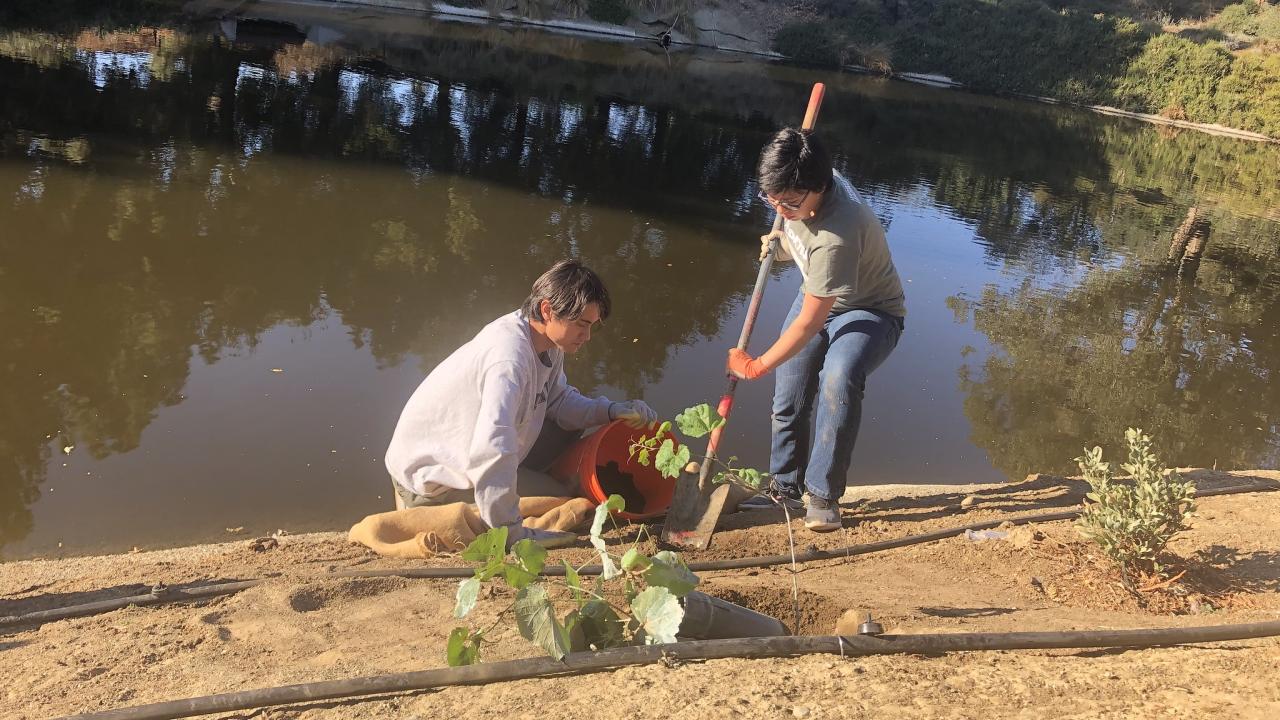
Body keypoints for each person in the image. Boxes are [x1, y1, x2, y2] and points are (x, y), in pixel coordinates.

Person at [384, 259, 657, 548]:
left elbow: (559, 400)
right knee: (562, 499)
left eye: (592, 327)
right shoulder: (508, 361)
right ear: (547, 310)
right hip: (432, 481)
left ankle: (518, 492)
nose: (587, 337)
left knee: (568, 430)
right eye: (581, 325)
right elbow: (491, 449)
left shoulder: (547, 342)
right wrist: (512, 533)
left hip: (472, 447)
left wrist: (612, 411)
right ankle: (423, 510)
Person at [728, 128, 906, 532]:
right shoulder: (795, 188)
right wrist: (783, 242)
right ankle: (783, 489)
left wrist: (755, 366)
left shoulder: (838, 233)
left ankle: (823, 496)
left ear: (821, 187)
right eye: (771, 200)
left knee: (838, 377)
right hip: (820, 292)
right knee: (790, 393)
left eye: (790, 202)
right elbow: (799, 235)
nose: (780, 208)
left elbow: (810, 321)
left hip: (871, 310)